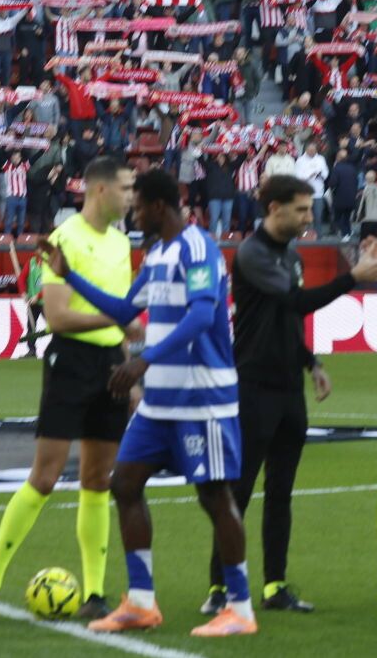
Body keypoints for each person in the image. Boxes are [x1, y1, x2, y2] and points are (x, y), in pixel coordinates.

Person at [44, 166, 257, 638]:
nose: (133, 213)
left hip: (202, 396)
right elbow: (124, 310)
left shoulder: (197, 246)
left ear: (158, 206)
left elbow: (203, 316)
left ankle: (240, 607)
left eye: (137, 205)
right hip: (161, 400)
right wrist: (70, 276)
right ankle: (141, 601)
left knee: (214, 496)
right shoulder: (158, 253)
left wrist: (144, 360)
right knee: (124, 484)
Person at [202, 174, 377, 614]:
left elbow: (286, 321)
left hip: (289, 388)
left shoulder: (290, 255)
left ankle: (275, 586)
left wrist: (312, 363)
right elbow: (295, 303)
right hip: (252, 387)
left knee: (281, 493)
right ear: (275, 209)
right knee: (239, 490)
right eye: (302, 210)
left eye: (310, 209)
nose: (310, 217)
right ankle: (218, 588)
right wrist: (355, 277)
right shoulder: (252, 253)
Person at [0, 156, 138, 624]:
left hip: (111, 367)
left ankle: (97, 592)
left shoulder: (122, 245)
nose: (131, 196)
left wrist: (129, 365)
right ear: (100, 190)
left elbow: (122, 319)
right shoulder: (64, 239)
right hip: (70, 361)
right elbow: (58, 316)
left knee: (97, 481)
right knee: (43, 478)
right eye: (125, 187)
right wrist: (120, 319)